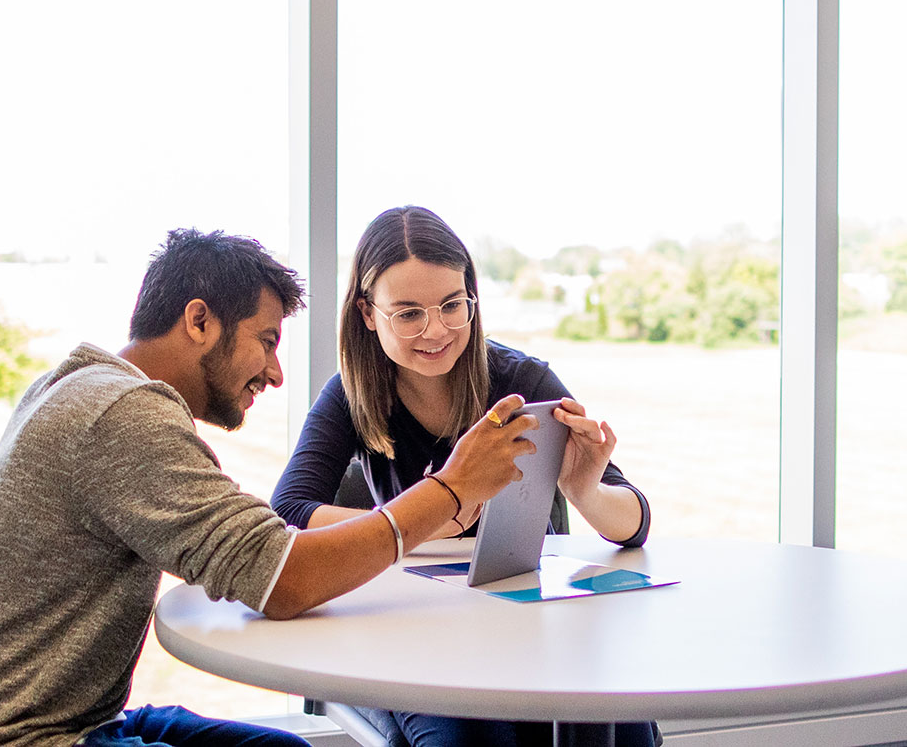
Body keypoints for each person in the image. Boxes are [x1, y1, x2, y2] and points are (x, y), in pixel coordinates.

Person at [0, 227, 546, 747]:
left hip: (52, 722)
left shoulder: (80, 385)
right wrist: (453, 487)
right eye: (265, 339)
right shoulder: (122, 415)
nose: (276, 371)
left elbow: (256, 549)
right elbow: (283, 580)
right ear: (199, 320)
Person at [270, 205, 657, 747]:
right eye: (408, 314)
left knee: (618, 726)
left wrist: (584, 489)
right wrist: (431, 518)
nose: (437, 330)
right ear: (366, 313)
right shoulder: (349, 395)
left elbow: (632, 523)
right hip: (412, 623)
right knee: (472, 736)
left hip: (520, 622)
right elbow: (288, 513)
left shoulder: (520, 380)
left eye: (453, 305)